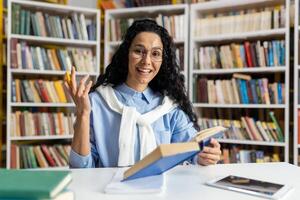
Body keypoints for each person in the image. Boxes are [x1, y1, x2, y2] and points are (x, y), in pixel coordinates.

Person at [67, 19, 221, 168]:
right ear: (127, 54)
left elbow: (193, 151)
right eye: (139, 51)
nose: (146, 61)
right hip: (110, 192)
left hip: (159, 193)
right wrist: (83, 114)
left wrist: (207, 154)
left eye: (155, 54)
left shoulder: (169, 108)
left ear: (162, 60)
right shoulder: (96, 102)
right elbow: (82, 168)